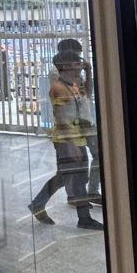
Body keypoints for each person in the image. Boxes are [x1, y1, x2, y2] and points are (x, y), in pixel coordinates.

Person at [29, 51, 104, 231]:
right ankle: (83, 217)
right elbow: (61, 118)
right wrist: (71, 145)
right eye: (77, 62)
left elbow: (88, 95)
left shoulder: (73, 85)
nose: (80, 64)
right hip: (67, 141)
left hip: (75, 139)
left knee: (67, 177)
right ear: (66, 66)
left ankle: (39, 204)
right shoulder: (59, 88)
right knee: (75, 178)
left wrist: (89, 71)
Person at [57, 37, 101, 201]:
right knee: (73, 163)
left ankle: (92, 191)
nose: (79, 60)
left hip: (86, 120)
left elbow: (87, 94)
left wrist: (88, 72)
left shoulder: (77, 72)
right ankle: (73, 195)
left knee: (97, 155)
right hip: (70, 125)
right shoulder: (57, 74)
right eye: (76, 56)